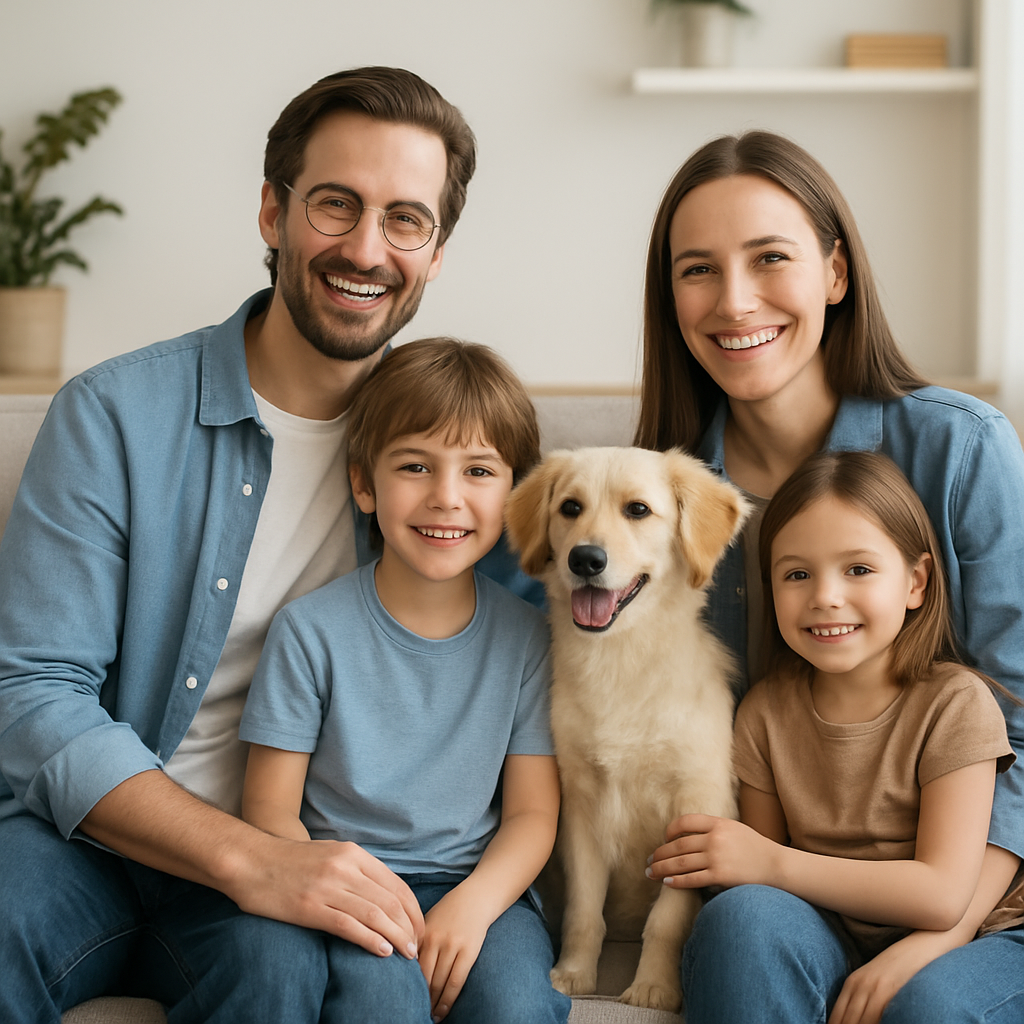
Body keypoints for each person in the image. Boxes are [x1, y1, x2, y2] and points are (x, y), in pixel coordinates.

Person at [0, 67, 531, 1023]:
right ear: (272, 213)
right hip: (89, 844)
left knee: (278, 972)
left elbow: (526, 657)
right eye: (336, 205)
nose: (367, 248)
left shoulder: (447, 465)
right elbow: (30, 693)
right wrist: (250, 859)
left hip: (299, 859)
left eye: (406, 220)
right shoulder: (115, 415)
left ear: (437, 251)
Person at [637, 131, 1024, 1023]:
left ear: (836, 273)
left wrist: (942, 931)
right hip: (795, 893)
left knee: (928, 1005)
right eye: (698, 270)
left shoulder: (961, 448)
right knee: (741, 930)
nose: (735, 301)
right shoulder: (656, 500)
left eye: (770, 258)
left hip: (976, 902)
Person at [239, 337, 570, 1024]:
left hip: (478, 886)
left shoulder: (532, 639)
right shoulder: (309, 632)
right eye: (416, 466)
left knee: (519, 1008)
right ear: (365, 483)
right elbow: (269, 812)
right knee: (382, 1005)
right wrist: (342, 895)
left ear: (516, 494)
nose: (445, 498)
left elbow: (534, 814)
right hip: (348, 888)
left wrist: (474, 906)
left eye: (479, 471)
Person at [647, 450, 1022, 1023]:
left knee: (930, 1005)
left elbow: (942, 895)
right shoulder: (764, 714)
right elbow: (762, 894)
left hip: (975, 935)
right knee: (743, 918)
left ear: (916, 582)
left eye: (859, 569)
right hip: (826, 928)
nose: (825, 596)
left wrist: (769, 863)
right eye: (797, 574)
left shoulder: (955, 704)